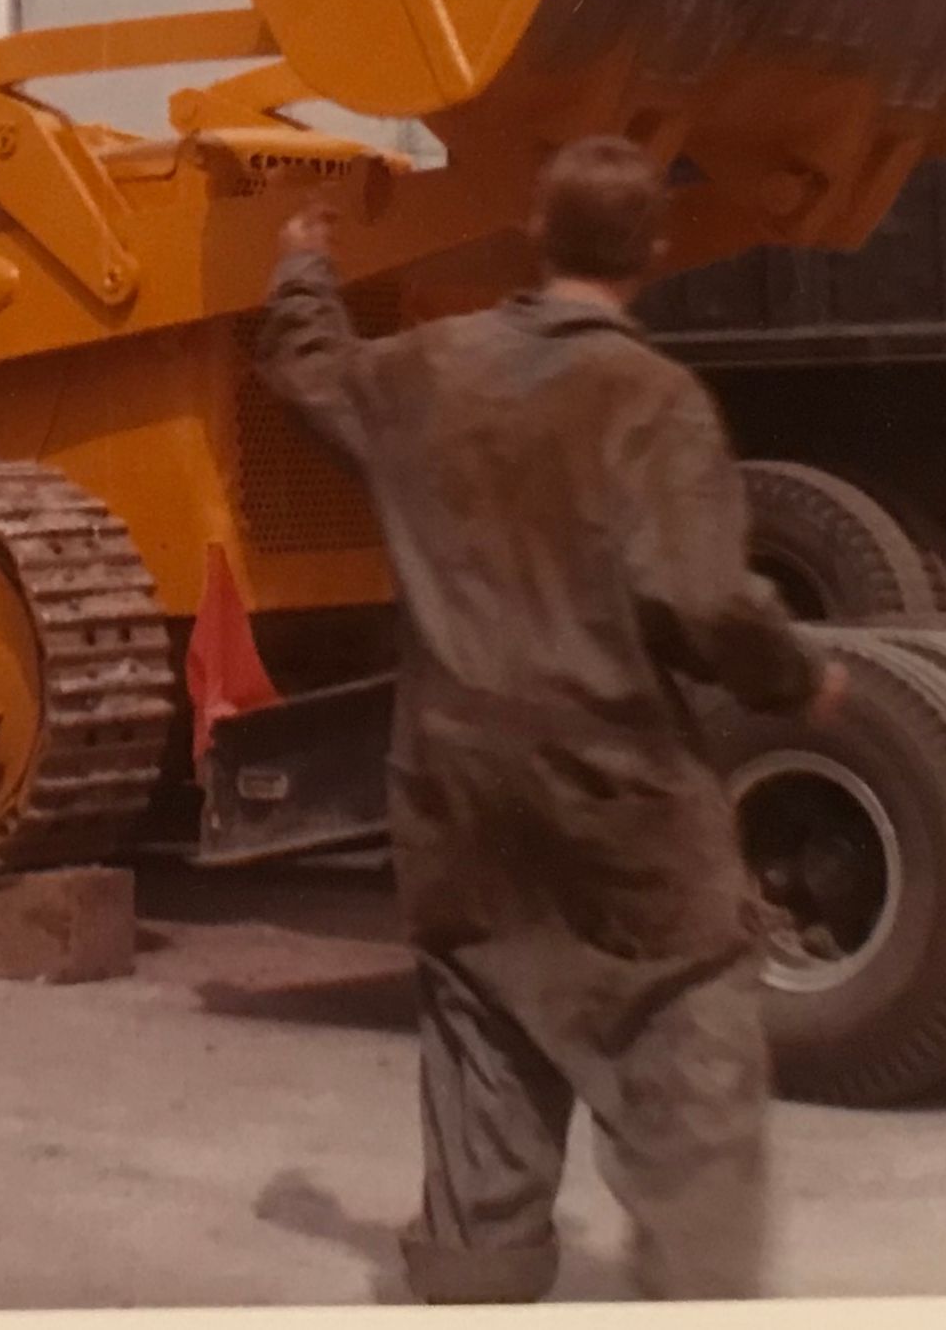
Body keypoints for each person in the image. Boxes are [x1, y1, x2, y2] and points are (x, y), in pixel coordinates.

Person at [255, 133, 847, 1305]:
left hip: (456, 791)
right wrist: (797, 679)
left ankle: (478, 1276)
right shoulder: (653, 400)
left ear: (537, 232)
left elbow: (307, 367)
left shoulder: (428, 369)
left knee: (484, 1039)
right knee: (688, 1060)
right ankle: (699, 1283)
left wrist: (300, 265)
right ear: (656, 252)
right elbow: (703, 598)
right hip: (616, 798)